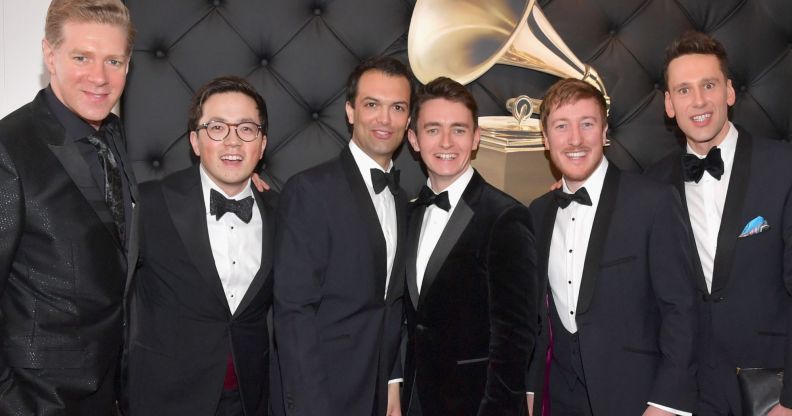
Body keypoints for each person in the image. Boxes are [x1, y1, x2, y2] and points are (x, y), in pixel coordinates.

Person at [525, 78, 698, 416]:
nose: (575, 139)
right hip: (557, 397)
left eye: (587, 124)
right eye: (562, 126)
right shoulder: (538, 211)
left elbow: (682, 310)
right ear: (545, 139)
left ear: (604, 132)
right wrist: (531, 390)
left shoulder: (654, 201)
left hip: (637, 401)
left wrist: (666, 404)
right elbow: (536, 318)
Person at [644, 31, 792, 416]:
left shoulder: (784, 168)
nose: (698, 101)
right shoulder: (649, 188)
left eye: (708, 85)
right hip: (687, 393)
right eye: (683, 90)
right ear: (669, 105)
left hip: (772, 389)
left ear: (729, 91)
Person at [0, 0, 137, 414]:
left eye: (114, 60)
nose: (99, 77)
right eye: (82, 57)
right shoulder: (9, 148)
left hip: (110, 394)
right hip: (36, 400)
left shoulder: (114, 135)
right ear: (50, 54)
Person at [127, 76, 275, 416]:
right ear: (195, 141)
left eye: (246, 129)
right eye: (217, 127)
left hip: (251, 398)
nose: (233, 142)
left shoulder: (284, 212)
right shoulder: (149, 204)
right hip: (165, 398)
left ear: (262, 143)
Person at [273, 56, 412, 416]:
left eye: (397, 107)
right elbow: (293, 314)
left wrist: (392, 382)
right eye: (372, 105)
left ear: (409, 118)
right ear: (350, 111)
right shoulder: (310, 191)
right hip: (322, 396)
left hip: (379, 396)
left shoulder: (402, 200)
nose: (385, 119)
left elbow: (392, 307)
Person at [400, 76, 536, 415]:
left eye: (458, 129)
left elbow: (516, 338)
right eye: (433, 130)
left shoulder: (506, 217)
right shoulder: (410, 212)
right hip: (416, 400)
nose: (446, 141)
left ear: (476, 138)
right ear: (414, 139)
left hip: (479, 406)